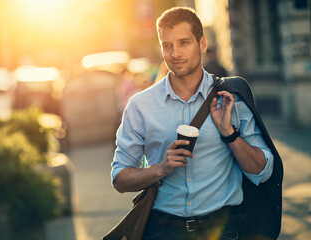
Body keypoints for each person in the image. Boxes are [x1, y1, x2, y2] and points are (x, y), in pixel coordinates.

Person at [111, 7, 281, 240]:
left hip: (223, 229)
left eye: (183, 43)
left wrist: (229, 134)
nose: (175, 53)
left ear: (202, 44)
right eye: (167, 45)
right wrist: (160, 169)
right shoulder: (140, 106)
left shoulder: (230, 98)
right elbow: (120, 178)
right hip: (162, 230)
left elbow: (263, 172)